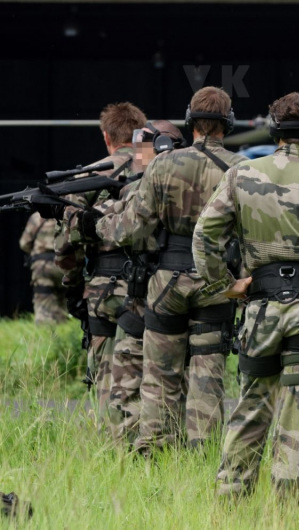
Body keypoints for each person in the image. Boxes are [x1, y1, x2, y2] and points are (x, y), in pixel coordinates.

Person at [194, 92, 299, 500]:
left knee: (251, 403)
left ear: (273, 130)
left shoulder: (241, 175)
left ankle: (230, 498)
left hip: (260, 309)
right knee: (298, 409)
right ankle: (286, 508)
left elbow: (205, 237)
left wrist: (226, 285)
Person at [95, 87, 248, 452]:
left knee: (159, 373)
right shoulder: (243, 171)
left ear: (190, 122)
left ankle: (153, 450)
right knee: (208, 375)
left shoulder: (163, 165)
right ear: (228, 124)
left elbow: (133, 228)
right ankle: (201, 453)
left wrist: (93, 224)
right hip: (218, 282)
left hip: (166, 283)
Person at [91, 120, 187, 445]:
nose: (136, 153)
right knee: (170, 388)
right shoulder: (195, 190)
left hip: (146, 302)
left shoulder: (145, 188)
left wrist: (92, 219)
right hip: (174, 301)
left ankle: (133, 458)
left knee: (130, 386)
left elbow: (120, 229)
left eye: (142, 146)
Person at [55, 102, 146, 418]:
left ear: (107, 137)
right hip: (150, 286)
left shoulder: (89, 175)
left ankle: (112, 445)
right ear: (141, 135)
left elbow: (68, 244)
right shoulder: (157, 170)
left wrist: (74, 288)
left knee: (107, 376)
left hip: (103, 289)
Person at [19, 212, 68, 325]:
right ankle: (63, 332)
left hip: (42, 266)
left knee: (44, 304)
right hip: (65, 265)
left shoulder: (37, 217)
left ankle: (47, 337)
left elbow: (24, 243)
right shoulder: (68, 213)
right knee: (64, 301)